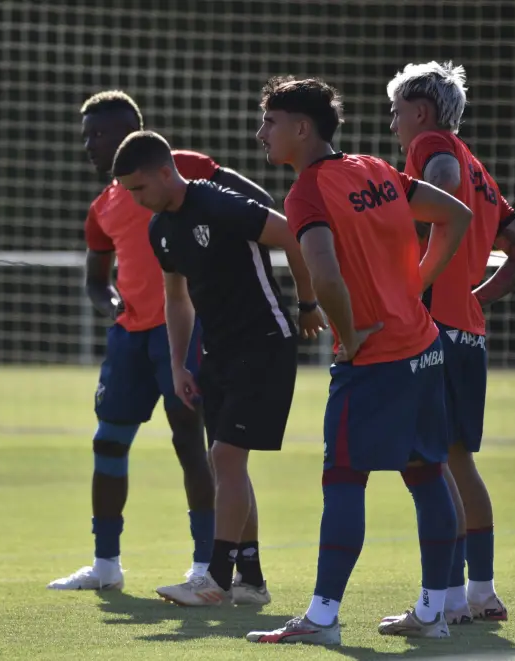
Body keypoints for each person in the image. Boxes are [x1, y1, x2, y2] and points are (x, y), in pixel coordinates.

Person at [245, 76, 472, 645]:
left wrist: (353, 336)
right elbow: (457, 216)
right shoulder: (373, 167)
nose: (261, 133)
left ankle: (322, 619)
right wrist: (416, 285)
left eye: (270, 122)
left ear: (302, 128)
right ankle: (433, 612)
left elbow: (323, 275)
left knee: (344, 479)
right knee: (427, 476)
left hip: (376, 360)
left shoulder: (307, 192)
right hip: (424, 347)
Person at [48, 90, 280, 601]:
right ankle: (105, 563)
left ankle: (205, 564)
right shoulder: (103, 206)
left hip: (185, 333)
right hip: (128, 339)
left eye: (99, 133)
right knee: (107, 442)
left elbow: (257, 206)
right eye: (85, 135)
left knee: (192, 445)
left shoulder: (186, 169)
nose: (90, 144)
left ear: (131, 128)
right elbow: (95, 279)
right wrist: (109, 303)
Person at [108, 129, 325, 606]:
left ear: (167, 172)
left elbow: (289, 231)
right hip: (217, 354)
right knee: (226, 462)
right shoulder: (158, 229)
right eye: (127, 192)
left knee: (226, 459)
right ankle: (251, 581)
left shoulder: (218, 203)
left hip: (265, 343)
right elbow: (176, 297)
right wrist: (179, 364)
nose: (136, 200)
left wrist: (308, 303)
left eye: (140, 189)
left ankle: (215, 579)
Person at [387, 60, 515, 624]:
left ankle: (447, 600)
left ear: (422, 113)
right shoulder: (480, 168)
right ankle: (480, 592)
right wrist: (475, 296)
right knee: (458, 463)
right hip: (467, 332)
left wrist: (422, 274)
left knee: (426, 462)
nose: (394, 124)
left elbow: (443, 184)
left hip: (430, 330)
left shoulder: (434, 148)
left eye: (397, 111)